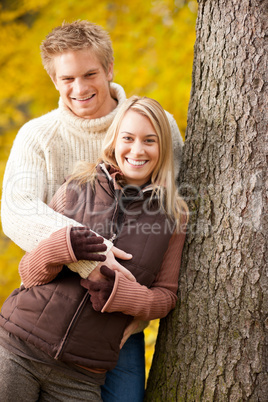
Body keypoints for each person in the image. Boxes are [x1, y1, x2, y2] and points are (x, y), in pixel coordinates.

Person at [0, 20, 184, 401]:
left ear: (110, 69)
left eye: (89, 74)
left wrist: (133, 303)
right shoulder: (38, 138)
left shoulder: (158, 125)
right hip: (45, 311)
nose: (80, 88)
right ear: (54, 81)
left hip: (115, 326)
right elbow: (17, 212)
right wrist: (94, 257)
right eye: (67, 78)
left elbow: (168, 208)